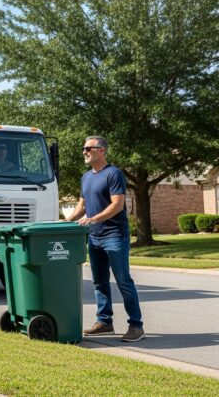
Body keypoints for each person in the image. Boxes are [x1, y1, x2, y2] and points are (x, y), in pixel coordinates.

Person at [67, 136, 144, 342]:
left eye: (88, 148)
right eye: (83, 148)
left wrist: (94, 218)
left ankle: (136, 325)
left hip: (114, 235)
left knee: (123, 280)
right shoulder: (86, 177)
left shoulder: (113, 174)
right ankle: (104, 322)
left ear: (101, 150)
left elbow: (117, 205)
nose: (84, 151)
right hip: (95, 237)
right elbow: (81, 206)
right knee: (99, 281)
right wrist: (65, 222)